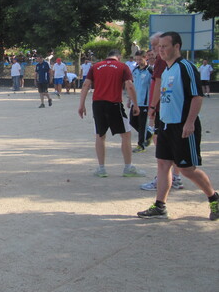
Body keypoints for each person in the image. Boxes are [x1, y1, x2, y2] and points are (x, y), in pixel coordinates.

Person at [137, 31, 218, 220]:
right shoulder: (166, 69)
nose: (160, 50)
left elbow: (197, 96)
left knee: (187, 169)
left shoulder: (186, 67)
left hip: (182, 126)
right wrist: (154, 113)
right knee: (163, 164)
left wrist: (189, 122)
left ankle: (214, 198)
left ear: (177, 47)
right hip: (165, 125)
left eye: (164, 46)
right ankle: (160, 206)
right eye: (159, 47)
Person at [78, 49, 145, 178]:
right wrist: (135, 104)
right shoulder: (122, 66)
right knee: (126, 135)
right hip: (114, 104)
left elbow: (86, 84)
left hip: (98, 104)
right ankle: (128, 167)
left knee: (100, 135)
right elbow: (129, 85)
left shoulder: (96, 66)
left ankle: (101, 168)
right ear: (118, 57)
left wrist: (81, 105)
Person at [140, 33, 183, 191]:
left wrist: (152, 107)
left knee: (162, 147)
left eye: (157, 45)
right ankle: (175, 177)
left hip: (161, 109)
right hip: (165, 108)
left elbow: (158, 84)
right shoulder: (169, 62)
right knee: (170, 145)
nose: (154, 49)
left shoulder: (161, 61)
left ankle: (166, 178)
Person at [128, 51, 152, 153]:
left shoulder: (150, 71)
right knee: (132, 121)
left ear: (145, 58)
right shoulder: (135, 71)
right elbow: (132, 86)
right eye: (136, 60)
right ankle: (149, 134)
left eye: (140, 59)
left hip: (144, 102)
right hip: (135, 102)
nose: (138, 62)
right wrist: (130, 99)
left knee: (142, 124)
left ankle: (141, 145)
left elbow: (153, 87)